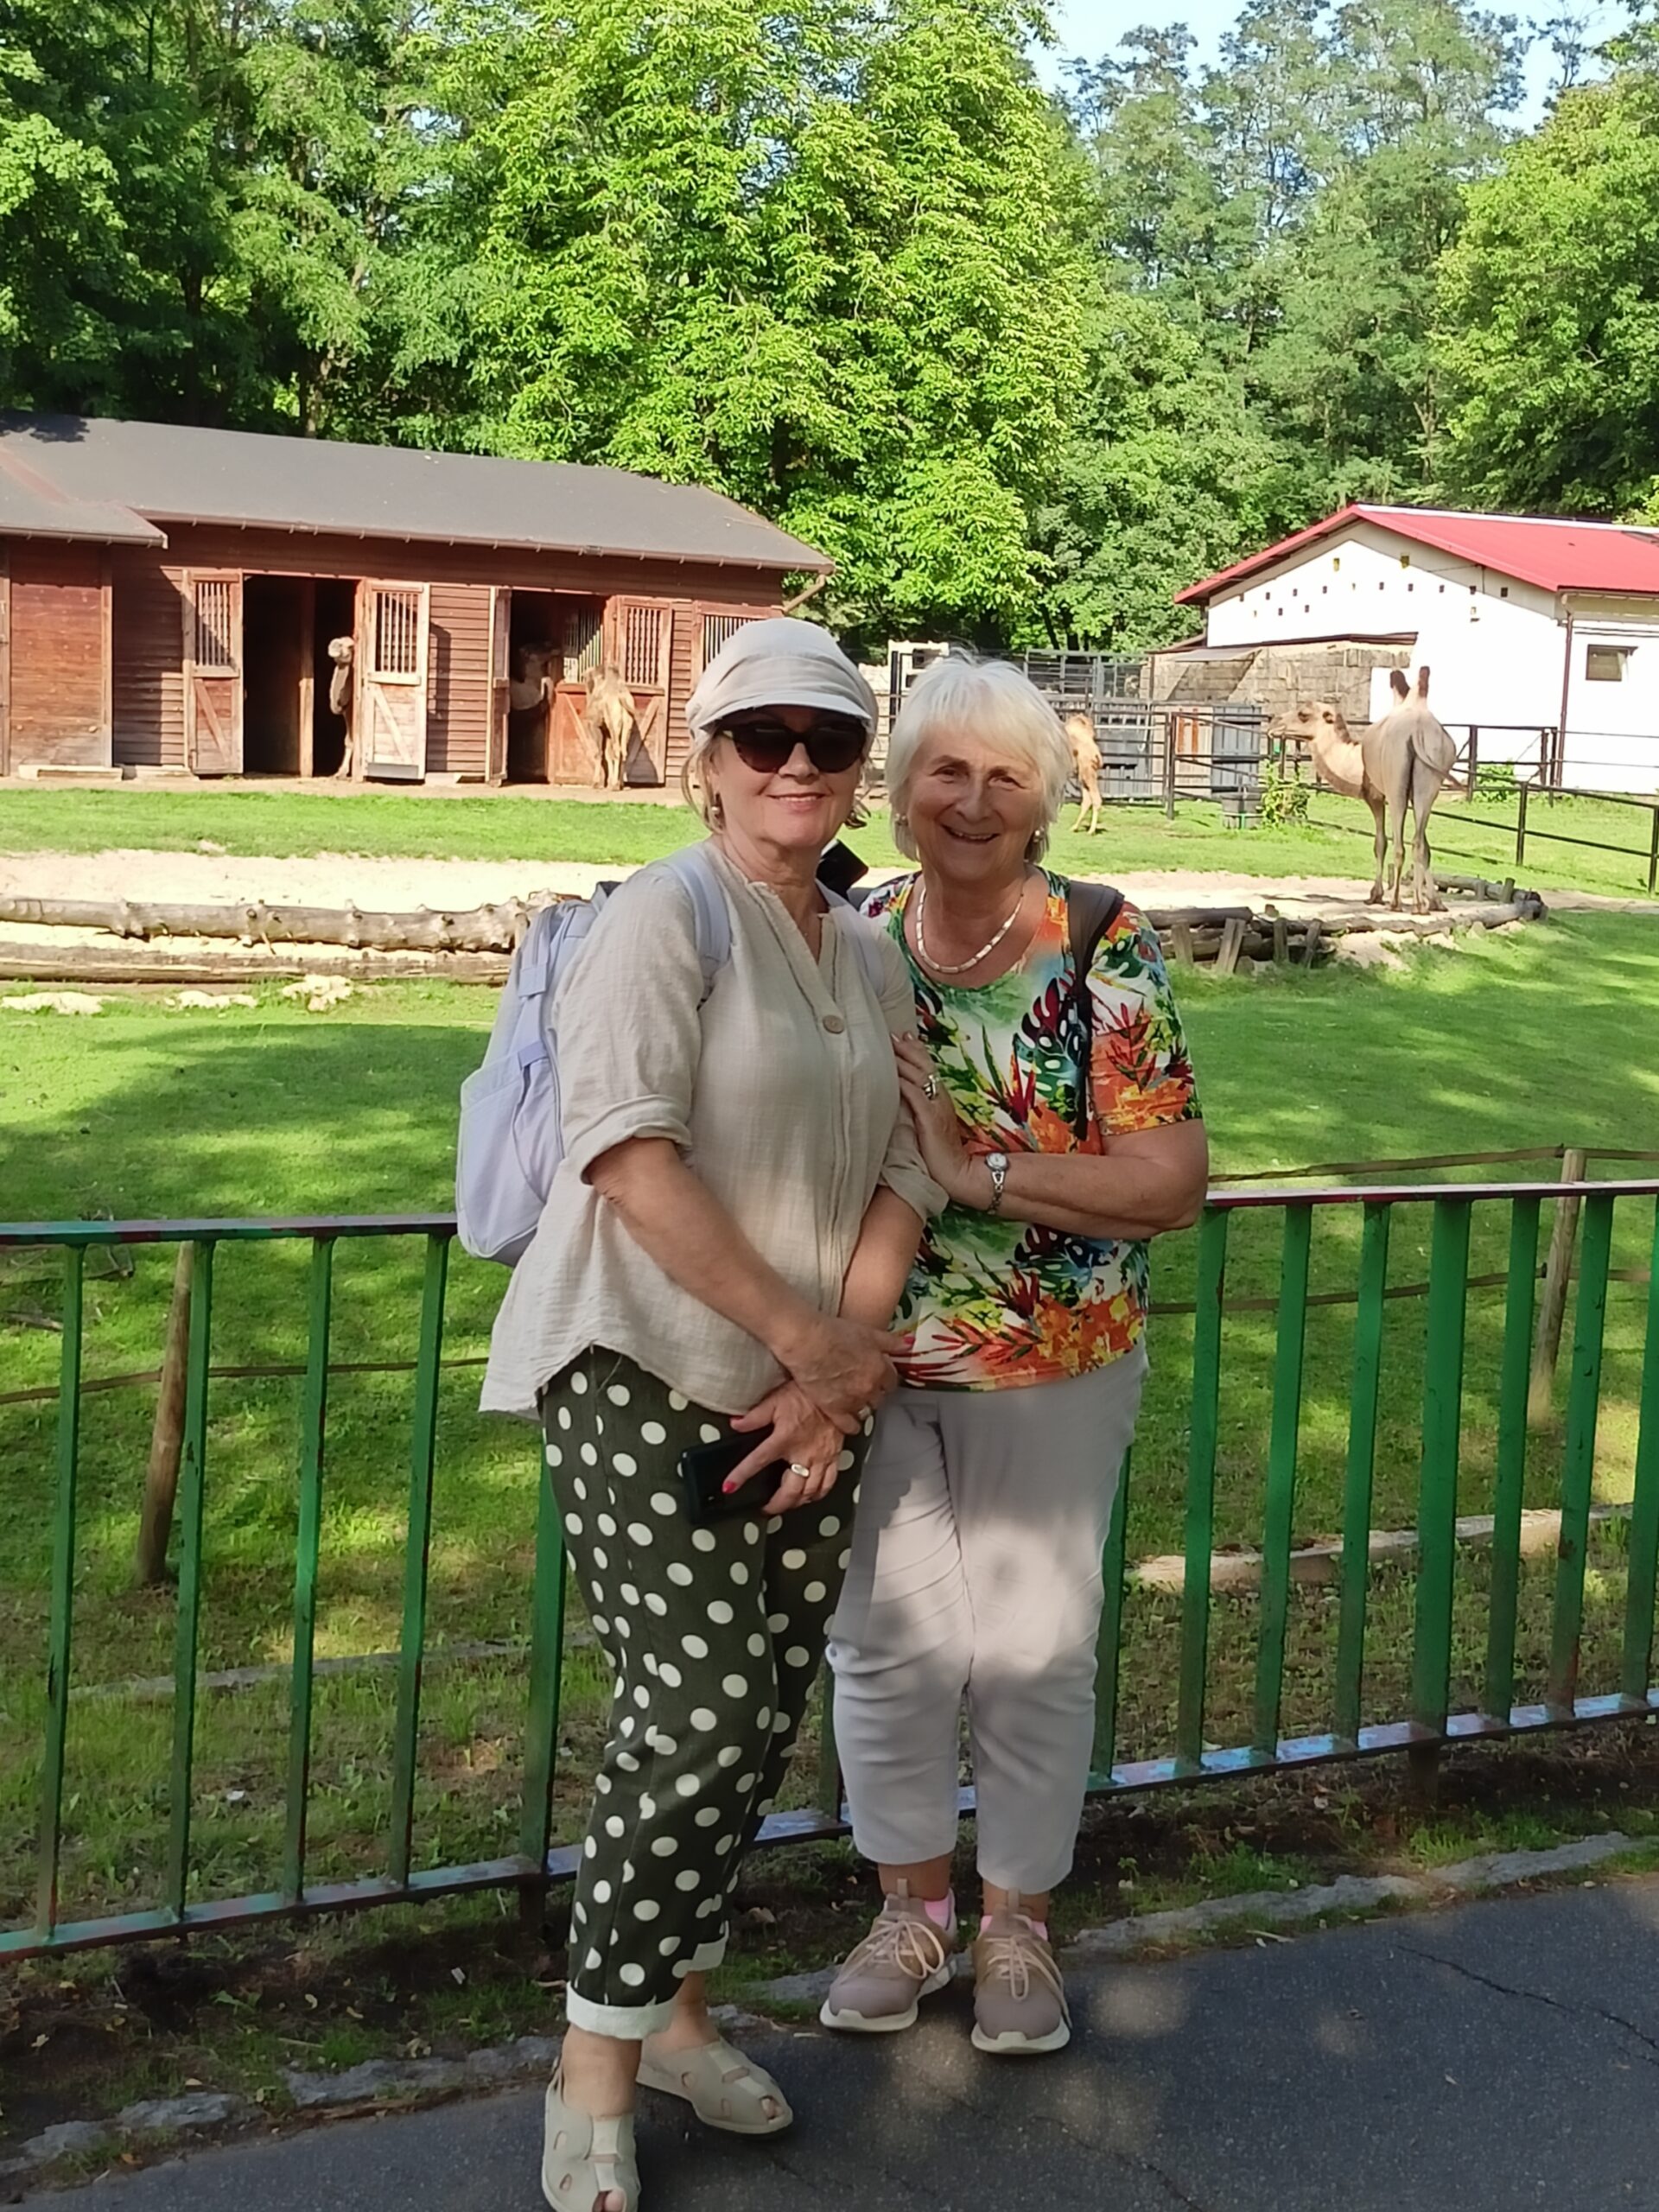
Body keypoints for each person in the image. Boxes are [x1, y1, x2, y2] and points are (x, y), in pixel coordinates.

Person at [480, 619, 943, 2212]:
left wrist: (833, 1367)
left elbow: (910, 1164)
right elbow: (626, 1153)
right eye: (765, 737)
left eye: (831, 738)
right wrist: (806, 1344)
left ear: (859, 766)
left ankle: (675, 2019)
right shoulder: (662, 919)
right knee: (696, 1715)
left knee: (760, 1709)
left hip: (813, 1386)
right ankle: (593, 2068)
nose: (798, 764)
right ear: (709, 761)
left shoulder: (865, 945)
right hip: (644, 1359)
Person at [822, 653, 1207, 2056]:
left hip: (1052, 1353)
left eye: (1005, 777)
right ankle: (910, 1911)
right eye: (947, 772)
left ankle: (1017, 1925)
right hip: (869, 1354)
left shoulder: (1100, 943)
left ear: (1047, 801)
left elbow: (1170, 1182)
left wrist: (976, 1172)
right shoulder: (858, 929)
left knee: (1033, 1651)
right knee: (887, 1648)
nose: (974, 801)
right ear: (901, 790)